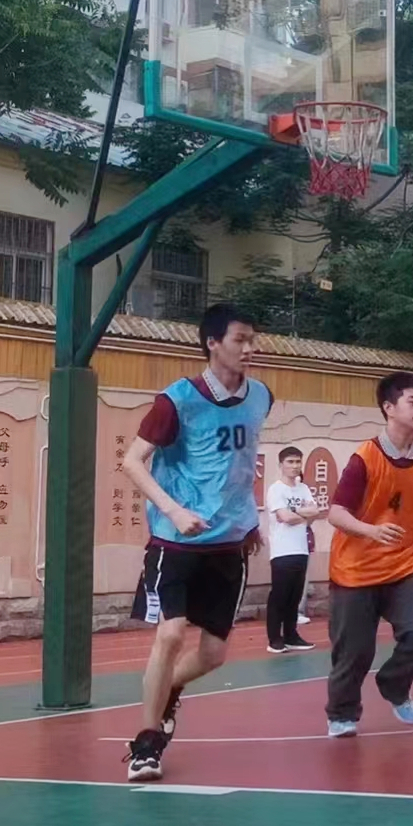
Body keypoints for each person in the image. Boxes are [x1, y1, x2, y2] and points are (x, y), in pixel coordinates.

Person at [121, 303, 272, 782]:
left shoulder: (261, 396)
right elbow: (132, 462)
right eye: (240, 339)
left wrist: (249, 521)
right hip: (176, 541)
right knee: (170, 634)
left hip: (230, 543)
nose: (249, 348)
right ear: (212, 343)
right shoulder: (176, 401)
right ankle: (147, 744)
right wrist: (174, 510)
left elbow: (240, 463)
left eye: (252, 339)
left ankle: (167, 691)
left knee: (213, 655)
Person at [324, 372, 413, 737]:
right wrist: (371, 531)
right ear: (389, 407)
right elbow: (336, 513)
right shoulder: (364, 458)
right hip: (356, 568)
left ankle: (394, 684)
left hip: (404, 564)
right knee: (354, 652)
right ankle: (341, 714)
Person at [265, 445, 324, 653]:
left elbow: (315, 512)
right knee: (280, 595)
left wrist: (295, 511)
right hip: (282, 551)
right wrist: (302, 513)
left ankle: (291, 635)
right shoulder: (276, 489)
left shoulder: (303, 489)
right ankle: (274, 639)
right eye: (290, 462)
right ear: (281, 465)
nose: (295, 466)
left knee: (295, 596)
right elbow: (284, 517)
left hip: (301, 549)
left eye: (298, 461)